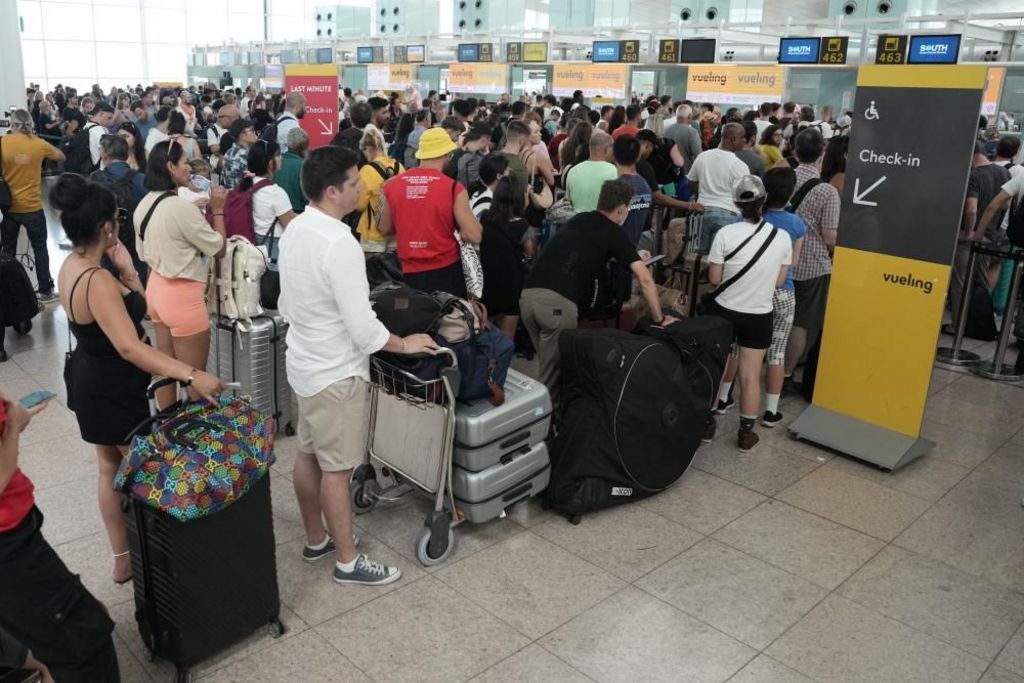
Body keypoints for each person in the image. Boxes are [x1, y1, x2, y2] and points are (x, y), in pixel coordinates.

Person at [51, 173, 224, 586]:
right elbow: (130, 346)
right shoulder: (97, 280)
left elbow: (134, 311)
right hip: (111, 384)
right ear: (107, 227)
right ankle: (162, 552)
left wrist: (129, 274)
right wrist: (190, 373)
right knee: (144, 469)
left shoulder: (72, 266)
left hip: (88, 377)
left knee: (108, 466)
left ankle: (124, 557)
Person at [278, 145, 437, 586]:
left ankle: (316, 539)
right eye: (354, 183)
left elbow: (286, 301)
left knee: (309, 453)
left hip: (305, 363)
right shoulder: (340, 243)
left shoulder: (295, 227)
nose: (361, 187)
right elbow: (364, 328)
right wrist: (405, 343)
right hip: (337, 373)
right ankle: (348, 560)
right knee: (338, 468)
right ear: (332, 191)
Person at [519, 179, 679, 408]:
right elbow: (644, 279)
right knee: (551, 379)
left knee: (550, 366)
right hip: (557, 304)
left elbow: (584, 248)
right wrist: (659, 319)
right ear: (622, 209)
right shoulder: (613, 231)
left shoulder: (579, 219)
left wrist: (631, 254)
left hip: (529, 297)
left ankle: (547, 423)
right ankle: (543, 432)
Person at [0, 395, 121, 682]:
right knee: (83, 644)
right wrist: (14, 427)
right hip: (9, 546)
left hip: (15, 535)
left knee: (70, 630)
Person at [134, 140, 227, 408]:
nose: (189, 167)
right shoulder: (182, 208)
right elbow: (218, 248)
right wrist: (218, 208)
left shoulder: (144, 205)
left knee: (167, 368)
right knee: (196, 378)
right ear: (170, 167)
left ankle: (168, 433)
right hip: (183, 297)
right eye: (184, 162)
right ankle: (198, 442)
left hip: (156, 291)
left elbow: (145, 253)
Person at [703, 175, 792, 452]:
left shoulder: (726, 234)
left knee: (718, 365)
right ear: (763, 200)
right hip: (759, 314)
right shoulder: (782, 238)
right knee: (751, 375)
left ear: (735, 203)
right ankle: (746, 433)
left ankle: (707, 423)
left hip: (724, 311)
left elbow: (715, 278)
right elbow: (779, 282)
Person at [378, 128, 482, 297]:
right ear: (447, 153)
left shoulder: (392, 185)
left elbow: (384, 228)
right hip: (446, 271)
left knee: (414, 320)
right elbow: (474, 235)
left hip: (406, 271)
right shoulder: (453, 188)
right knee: (449, 321)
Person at [784, 128, 841, 389]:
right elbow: (830, 237)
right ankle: (785, 375)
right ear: (821, 154)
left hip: (778, 259)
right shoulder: (826, 192)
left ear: (795, 151)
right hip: (811, 265)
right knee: (801, 322)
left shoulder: (781, 178)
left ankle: (771, 362)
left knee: (777, 315)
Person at [0, 110, 65, 304]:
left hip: (8, 208)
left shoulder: (3, 142)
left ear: (12, 124)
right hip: (33, 207)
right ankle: (45, 291)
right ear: (30, 124)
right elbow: (61, 156)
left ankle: (7, 292)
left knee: (8, 251)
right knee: (40, 249)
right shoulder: (39, 144)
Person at [758, 167, 806, 426]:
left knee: (738, 348)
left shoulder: (755, 217)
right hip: (783, 292)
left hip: (753, 290)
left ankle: (723, 399)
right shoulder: (797, 224)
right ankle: (770, 411)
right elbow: (795, 262)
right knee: (776, 351)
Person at [947, 143, 1011, 331]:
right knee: (981, 283)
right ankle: (978, 321)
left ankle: (958, 326)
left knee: (961, 282)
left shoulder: (974, 176)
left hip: (970, 238)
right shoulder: (1003, 173)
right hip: (989, 237)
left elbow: (971, 209)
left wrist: (968, 233)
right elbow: (1005, 206)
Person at [480, 175, 535, 338]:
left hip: (486, 284)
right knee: (506, 338)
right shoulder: (523, 227)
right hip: (511, 288)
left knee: (485, 333)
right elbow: (530, 255)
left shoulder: (484, 219)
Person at [687, 122, 750, 253]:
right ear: (733, 139)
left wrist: (703, 194)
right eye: (742, 137)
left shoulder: (703, 156)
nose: (745, 140)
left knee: (695, 260)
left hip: (702, 212)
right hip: (728, 215)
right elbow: (744, 195)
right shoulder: (740, 166)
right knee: (719, 259)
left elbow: (691, 183)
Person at [242, 140, 296, 262]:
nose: (281, 158)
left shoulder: (246, 184)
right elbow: (291, 227)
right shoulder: (276, 193)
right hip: (272, 248)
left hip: (252, 244)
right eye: (278, 155)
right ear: (270, 164)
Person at [356, 125, 403, 254]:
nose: (364, 155)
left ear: (369, 148)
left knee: (372, 272)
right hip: (396, 231)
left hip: (373, 233)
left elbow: (360, 205)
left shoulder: (367, 170)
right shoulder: (399, 167)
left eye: (364, 150)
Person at [612, 135, 653, 247]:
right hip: (635, 247)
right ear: (637, 158)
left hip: (617, 252)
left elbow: (609, 225)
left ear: (613, 156)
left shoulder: (616, 188)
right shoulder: (645, 186)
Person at [564, 130, 618, 213]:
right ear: (607, 150)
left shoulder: (573, 170)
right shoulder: (613, 170)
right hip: (601, 222)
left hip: (576, 221)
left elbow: (568, 201)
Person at [663, 104, 703, 174]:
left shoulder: (666, 130)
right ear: (690, 116)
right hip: (687, 172)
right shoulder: (692, 132)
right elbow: (698, 155)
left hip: (669, 172)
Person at [278, 127, 309, 215]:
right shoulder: (303, 165)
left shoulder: (277, 161)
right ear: (303, 147)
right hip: (297, 212)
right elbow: (307, 196)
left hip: (277, 212)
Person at [221, 118, 257, 190]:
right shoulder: (244, 155)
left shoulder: (229, 152)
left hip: (231, 196)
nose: (255, 133)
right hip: (243, 197)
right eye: (252, 130)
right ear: (242, 135)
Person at [470, 153, 510, 218]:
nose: (509, 173)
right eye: (507, 170)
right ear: (499, 176)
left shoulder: (477, 192)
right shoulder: (487, 204)